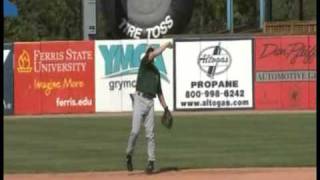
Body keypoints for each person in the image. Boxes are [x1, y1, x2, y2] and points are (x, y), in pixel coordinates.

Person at [126, 41, 173, 174]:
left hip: (150, 102)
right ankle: (129, 154)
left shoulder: (157, 72)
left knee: (150, 134)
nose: (151, 53)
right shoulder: (144, 63)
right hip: (139, 100)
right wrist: (166, 45)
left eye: (151, 51)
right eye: (150, 51)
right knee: (135, 131)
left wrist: (166, 108)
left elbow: (159, 93)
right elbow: (154, 54)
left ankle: (151, 162)